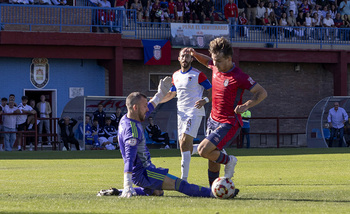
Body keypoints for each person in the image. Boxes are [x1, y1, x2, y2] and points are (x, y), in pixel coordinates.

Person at [97, 77, 239, 199]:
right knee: (180, 185)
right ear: (135, 108)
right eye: (144, 106)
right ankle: (214, 193)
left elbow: (150, 108)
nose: (147, 109)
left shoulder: (127, 118)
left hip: (141, 171)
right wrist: (127, 184)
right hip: (145, 172)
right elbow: (129, 158)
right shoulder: (132, 131)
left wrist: (160, 94)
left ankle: (117, 192)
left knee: (158, 192)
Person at [187, 37, 267, 186]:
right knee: (212, 158)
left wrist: (247, 105)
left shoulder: (239, 76)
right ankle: (213, 190)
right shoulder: (215, 65)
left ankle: (230, 160)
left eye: (218, 61)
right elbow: (206, 62)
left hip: (228, 122)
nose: (214, 64)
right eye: (214, 60)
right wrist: (195, 54)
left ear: (229, 59)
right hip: (212, 119)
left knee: (204, 151)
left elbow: (262, 92)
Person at [160, 48, 212, 181]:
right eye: (182, 56)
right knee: (184, 146)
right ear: (179, 58)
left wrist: (205, 100)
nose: (185, 58)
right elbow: (172, 94)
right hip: (181, 114)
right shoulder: (175, 75)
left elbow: (212, 90)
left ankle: (183, 180)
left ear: (192, 59)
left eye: (187, 56)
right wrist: (156, 100)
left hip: (194, 111)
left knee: (184, 142)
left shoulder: (198, 74)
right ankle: (213, 149)